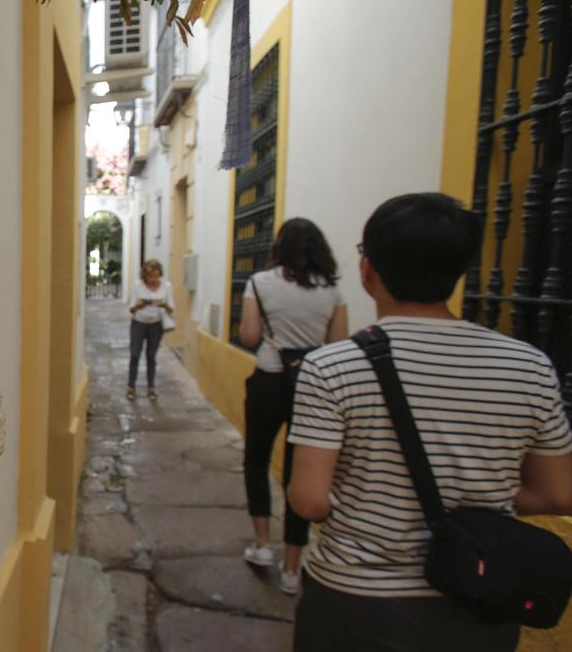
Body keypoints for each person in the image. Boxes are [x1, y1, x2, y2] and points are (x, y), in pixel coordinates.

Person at [287, 193, 572, 651]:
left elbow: (308, 501)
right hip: (478, 598)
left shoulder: (331, 367)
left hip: (355, 601)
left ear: (368, 271)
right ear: (459, 271)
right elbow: (557, 493)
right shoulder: (530, 366)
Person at [237, 218, 348, 596]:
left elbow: (249, 336)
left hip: (269, 377)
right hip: (313, 384)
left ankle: (263, 545)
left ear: (279, 247)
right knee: (299, 472)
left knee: (256, 458)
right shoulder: (332, 290)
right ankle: (292, 568)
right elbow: (338, 345)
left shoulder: (260, 283)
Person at [126, 259, 174, 401]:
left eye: (156, 276)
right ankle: (131, 387)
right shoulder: (138, 286)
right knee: (135, 355)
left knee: (151, 356)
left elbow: (172, 308)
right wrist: (139, 306)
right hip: (139, 323)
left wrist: (164, 305)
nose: (153, 279)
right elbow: (131, 308)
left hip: (156, 325)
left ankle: (151, 387)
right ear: (145, 276)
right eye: (150, 276)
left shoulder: (166, 286)